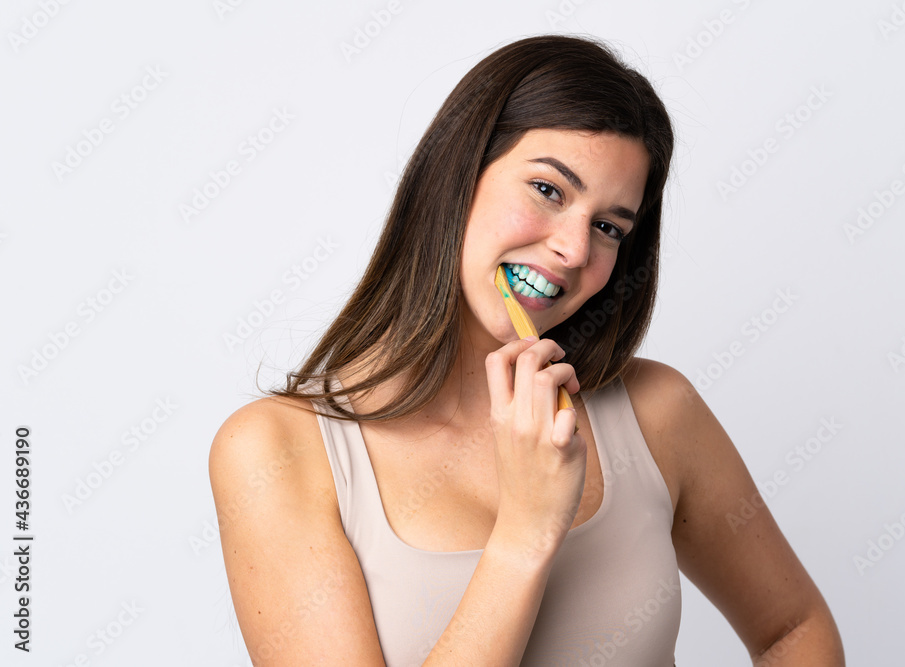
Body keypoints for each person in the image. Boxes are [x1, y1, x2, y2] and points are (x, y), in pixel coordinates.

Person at [208, 34, 845, 666]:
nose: (574, 249)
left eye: (608, 227)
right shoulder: (274, 452)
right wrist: (525, 531)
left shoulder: (657, 413)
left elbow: (793, 627)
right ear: (456, 175)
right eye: (548, 190)